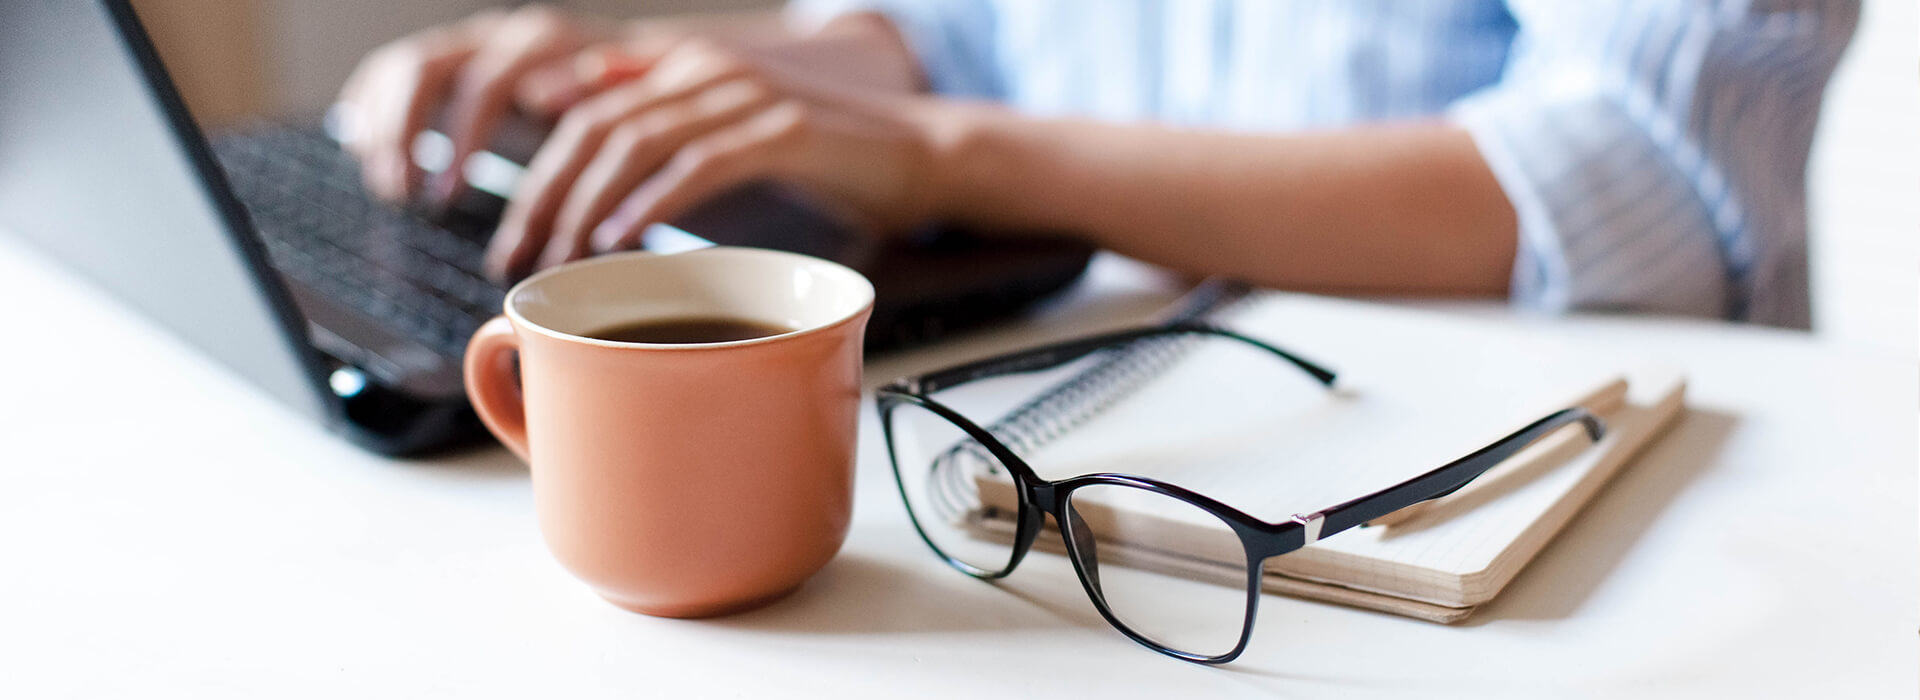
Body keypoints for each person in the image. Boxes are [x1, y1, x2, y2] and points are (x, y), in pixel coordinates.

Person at [336, 1, 1857, 327]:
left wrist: (950, 159)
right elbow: (964, 38)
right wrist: (636, 84)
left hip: (1495, 474)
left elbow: (1643, 186)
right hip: (1097, 402)